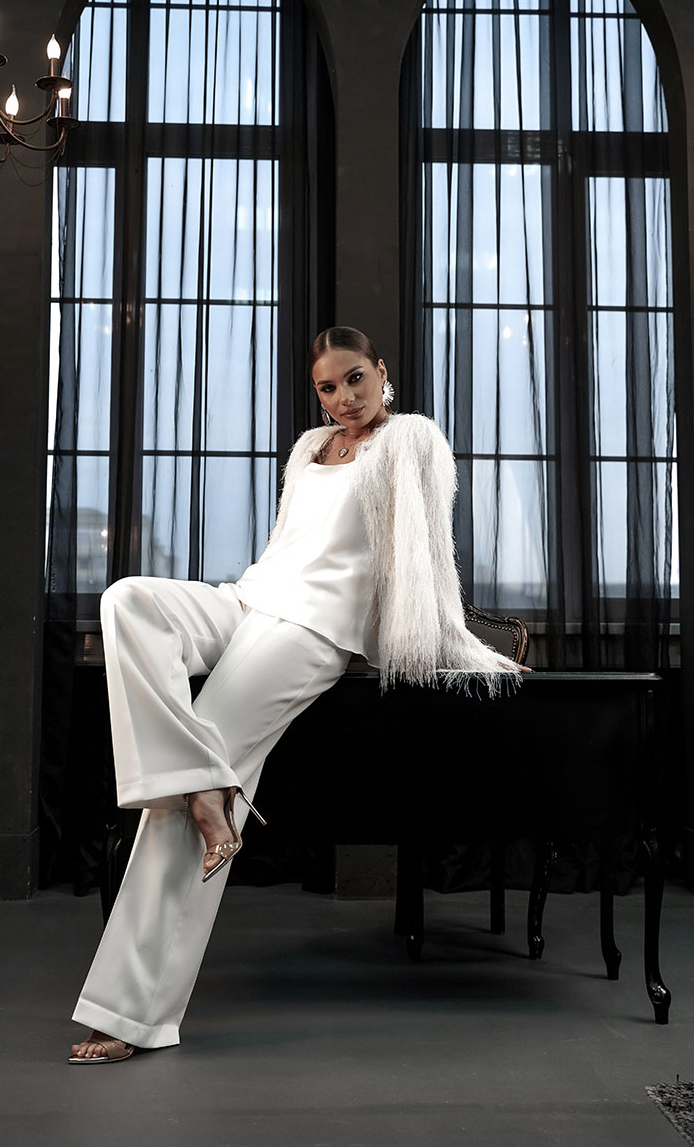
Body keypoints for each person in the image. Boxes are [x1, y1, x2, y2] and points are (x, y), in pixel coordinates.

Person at [68, 325, 526, 1063]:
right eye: (327, 387)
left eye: (355, 379)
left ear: (381, 371)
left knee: (190, 780)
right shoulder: (310, 448)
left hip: (312, 629)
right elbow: (288, 550)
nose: (344, 398)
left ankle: (130, 1014)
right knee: (128, 600)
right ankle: (200, 784)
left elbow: (425, 562)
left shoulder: (411, 441)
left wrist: (465, 649)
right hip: (251, 599)